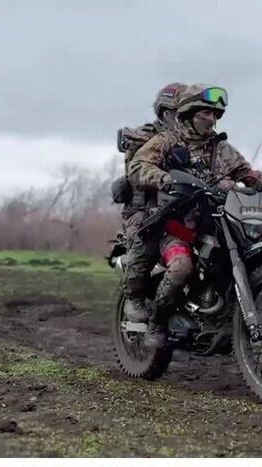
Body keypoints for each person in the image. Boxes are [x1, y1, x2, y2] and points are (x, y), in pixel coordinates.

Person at [126, 84, 262, 345]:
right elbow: (138, 166)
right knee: (182, 266)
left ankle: (227, 316)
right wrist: (165, 179)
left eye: (215, 115)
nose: (211, 119)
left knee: (241, 253)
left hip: (213, 218)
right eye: (206, 113)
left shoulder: (220, 146)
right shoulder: (168, 141)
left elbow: (244, 172)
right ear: (190, 114)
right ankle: (157, 323)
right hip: (175, 223)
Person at [117, 82, 188, 329]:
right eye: (178, 114)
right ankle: (135, 298)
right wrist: (164, 178)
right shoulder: (148, 136)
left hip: (181, 208)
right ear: (165, 113)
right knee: (147, 236)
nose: (182, 120)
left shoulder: (197, 141)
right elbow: (136, 170)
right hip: (145, 208)